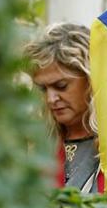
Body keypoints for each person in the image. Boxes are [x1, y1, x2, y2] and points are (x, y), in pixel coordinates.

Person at [24, 23, 103, 193]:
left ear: (91, 80)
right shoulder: (30, 144)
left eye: (61, 86)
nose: (50, 99)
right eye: (43, 89)